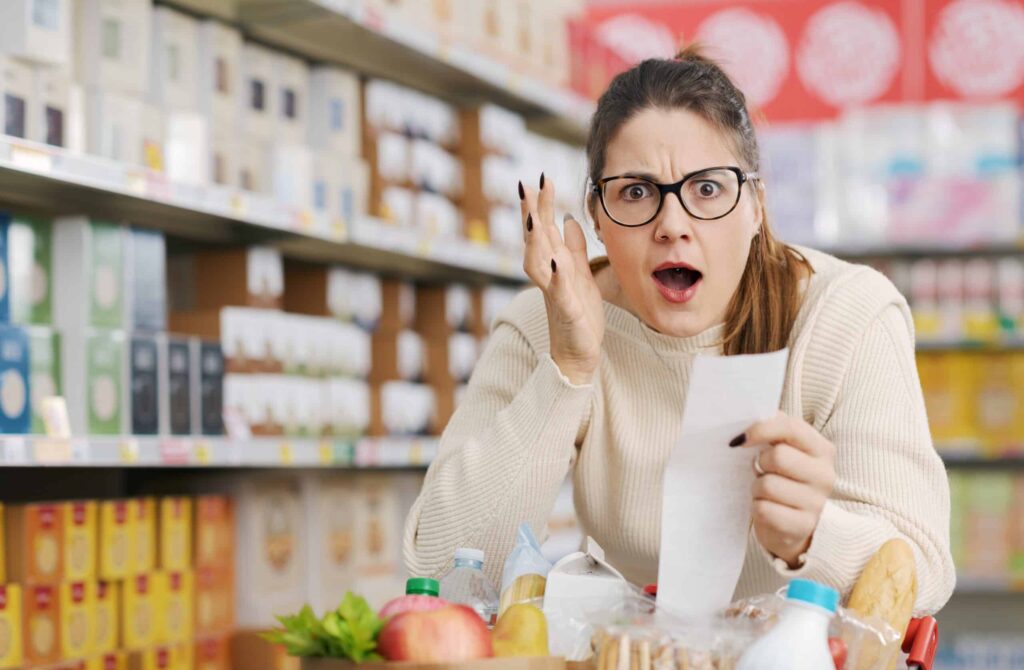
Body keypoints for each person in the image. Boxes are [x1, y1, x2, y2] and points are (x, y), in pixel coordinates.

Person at [403, 46, 955, 613]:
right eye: (636, 193)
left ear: (756, 206)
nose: (672, 226)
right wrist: (568, 369)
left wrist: (814, 537)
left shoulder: (845, 316)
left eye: (708, 189)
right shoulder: (546, 321)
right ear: (596, 217)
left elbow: (924, 574)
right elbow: (443, 571)